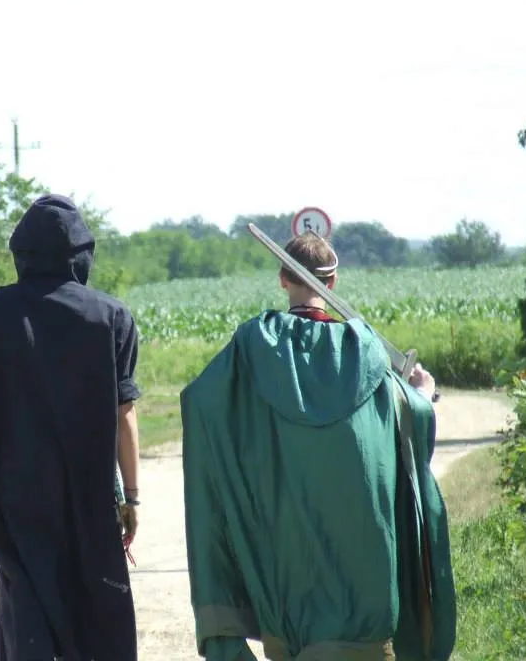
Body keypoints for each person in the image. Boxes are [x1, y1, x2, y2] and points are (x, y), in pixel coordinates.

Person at [180, 232, 456, 661]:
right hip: (365, 608)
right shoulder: (366, 354)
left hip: (288, 599)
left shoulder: (251, 351)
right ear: (333, 282)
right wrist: (420, 393)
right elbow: (412, 421)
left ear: (282, 280)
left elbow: (199, 400)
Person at [0, 193, 142, 661]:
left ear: (22, 253)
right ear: (82, 254)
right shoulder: (111, 317)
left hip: (12, 495)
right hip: (88, 497)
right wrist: (131, 498)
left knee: (26, 607)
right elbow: (124, 416)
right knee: (95, 610)